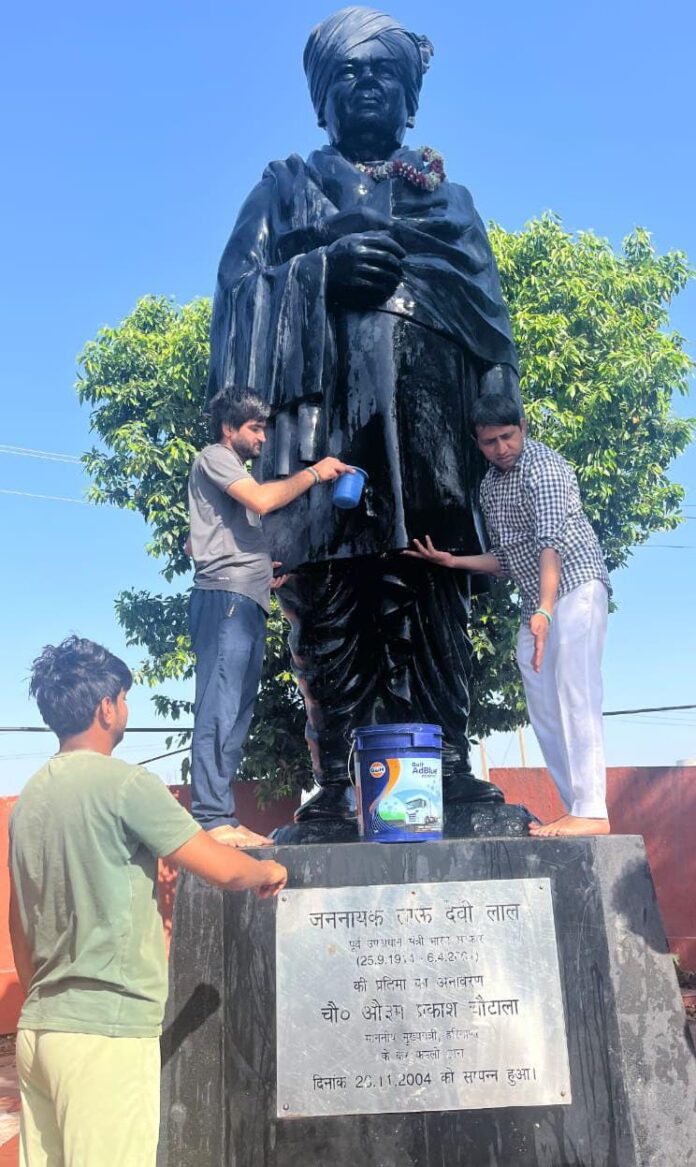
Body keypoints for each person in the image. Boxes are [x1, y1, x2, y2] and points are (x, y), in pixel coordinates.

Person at [207, 6, 522, 825]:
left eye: (385, 70)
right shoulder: (284, 189)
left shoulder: (447, 199)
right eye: (350, 71)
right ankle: (343, 783)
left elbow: (489, 318)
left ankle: (446, 773)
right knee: (333, 598)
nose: (369, 83)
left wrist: (498, 401)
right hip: (323, 429)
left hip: (430, 435)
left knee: (430, 589)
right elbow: (236, 299)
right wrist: (319, 274)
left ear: (410, 97)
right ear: (323, 98)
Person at [8, 636, 288, 1167]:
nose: (126, 709)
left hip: (41, 1030)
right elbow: (224, 870)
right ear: (105, 706)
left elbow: (20, 924)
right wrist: (267, 868)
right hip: (104, 1034)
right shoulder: (126, 783)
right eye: (125, 698)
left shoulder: (32, 799)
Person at [406, 393, 611, 838]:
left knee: (577, 693)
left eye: (506, 436)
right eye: (488, 442)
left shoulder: (545, 467)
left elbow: (548, 545)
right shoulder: (490, 486)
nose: (500, 448)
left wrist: (544, 610)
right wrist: (452, 562)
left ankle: (594, 808)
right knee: (544, 707)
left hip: (574, 589)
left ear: (522, 425)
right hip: (538, 601)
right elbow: (505, 557)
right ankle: (576, 808)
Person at [188, 388, 351, 837]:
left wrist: (260, 567)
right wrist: (315, 473)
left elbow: (196, 539)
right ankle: (210, 817)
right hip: (225, 600)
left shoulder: (227, 473)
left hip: (246, 596)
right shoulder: (215, 457)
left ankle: (220, 816)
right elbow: (261, 501)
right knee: (219, 707)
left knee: (238, 709)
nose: (262, 438)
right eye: (255, 428)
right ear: (229, 429)